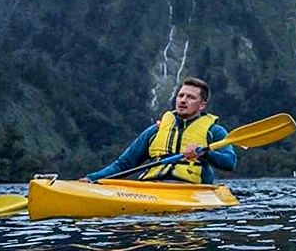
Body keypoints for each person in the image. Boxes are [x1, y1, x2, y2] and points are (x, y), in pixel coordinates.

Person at [86, 77, 236, 182]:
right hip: (151, 188)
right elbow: (124, 164)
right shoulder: (155, 130)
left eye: (190, 97)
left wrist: (205, 153)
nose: (183, 100)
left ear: (202, 105)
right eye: (180, 95)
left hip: (189, 189)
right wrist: (91, 179)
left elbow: (230, 162)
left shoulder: (215, 131)